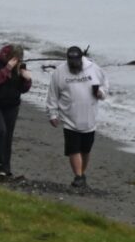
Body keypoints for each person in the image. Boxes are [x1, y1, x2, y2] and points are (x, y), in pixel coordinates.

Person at [44, 44, 105, 191]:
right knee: (73, 149)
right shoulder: (59, 72)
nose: (73, 65)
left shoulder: (93, 69)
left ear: (81, 59)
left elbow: (105, 86)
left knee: (85, 150)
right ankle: (78, 176)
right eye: (71, 62)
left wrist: (100, 93)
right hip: (69, 118)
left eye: (76, 62)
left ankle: (82, 175)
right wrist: (52, 113)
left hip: (89, 117)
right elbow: (52, 94)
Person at [0, 43, 32, 180]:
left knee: (8, 136)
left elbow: (23, 89)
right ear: (8, 56)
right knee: (1, 130)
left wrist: (27, 80)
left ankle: (6, 168)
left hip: (12, 105)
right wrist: (7, 69)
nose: (17, 61)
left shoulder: (21, 66)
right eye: (15, 58)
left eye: (19, 58)